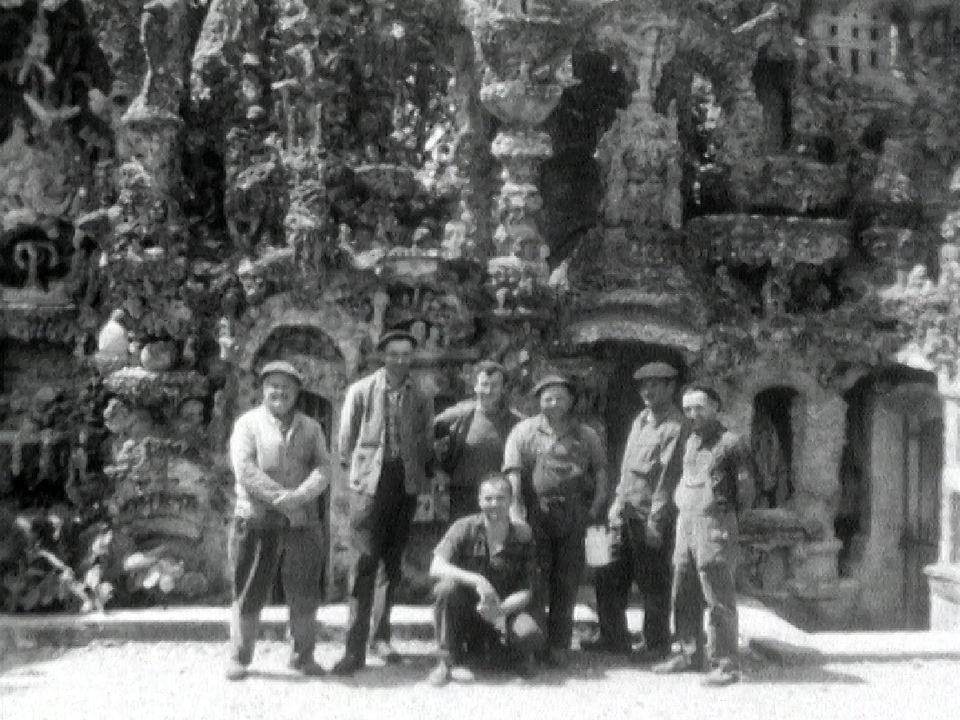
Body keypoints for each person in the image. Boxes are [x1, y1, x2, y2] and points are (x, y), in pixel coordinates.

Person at [333, 330, 434, 675]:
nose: (401, 360)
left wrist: (419, 477)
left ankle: (381, 636)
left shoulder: (420, 395)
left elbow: (425, 439)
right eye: (394, 354)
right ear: (382, 356)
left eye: (407, 354)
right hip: (370, 487)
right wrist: (361, 480)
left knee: (391, 564)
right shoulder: (362, 391)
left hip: (404, 485)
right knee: (363, 565)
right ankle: (353, 648)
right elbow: (345, 444)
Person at [226, 361, 330, 680]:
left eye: (287, 387)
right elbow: (244, 468)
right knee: (249, 589)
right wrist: (279, 499)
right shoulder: (248, 425)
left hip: (301, 523)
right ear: (263, 390)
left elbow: (324, 468)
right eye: (273, 386)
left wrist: (298, 498)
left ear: (298, 392)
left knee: (303, 592)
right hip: (256, 521)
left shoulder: (311, 428)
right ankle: (240, 658)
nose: (280, 392)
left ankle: (303, 656)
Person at [502, 375, 608, 666]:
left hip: (574, 517)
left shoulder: (586, 435)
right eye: (548, 397)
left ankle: (559, 644)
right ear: (539, 401)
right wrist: (515, 511)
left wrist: (597, 505)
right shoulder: (523, 432)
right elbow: (513, 473)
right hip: (537, 515)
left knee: (567, 580)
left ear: (571, 401)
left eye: (561, 397)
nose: (554, 403)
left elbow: (600, 471)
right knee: (535, 579)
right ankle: (533, 641)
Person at [653, 384, 755, 686]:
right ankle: (689, 653)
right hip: (686, 522)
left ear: (715, 407)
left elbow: (746, 490)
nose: (693, 415)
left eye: (700, 408)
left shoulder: (732, 444)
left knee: (717, 594)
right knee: (683, 586)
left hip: (714, 523)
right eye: (687, 409)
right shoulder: (690, 441)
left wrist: (725, 518)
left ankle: (726, 663)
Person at [584, 362, 685, 662]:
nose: (648, 391)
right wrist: (616, 501)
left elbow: (668, 478)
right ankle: (613, 637)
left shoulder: (674, 428)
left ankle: (655, 645)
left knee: (653, 583)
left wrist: (656, 520)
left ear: (671, 388)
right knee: (609, 573)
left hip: (649, 519)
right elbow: (628, 467)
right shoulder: (641, 420)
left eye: (656, 385)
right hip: (625, 513)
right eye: (644, 386)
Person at [426, 473, 544, 686]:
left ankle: (513, 657)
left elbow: (527, 589)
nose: (494, 504)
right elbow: (436, 566)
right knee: (445, 589)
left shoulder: (522, 536)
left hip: (506, 608)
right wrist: (477, 580)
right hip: (470, 607)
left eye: (500, 498)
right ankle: (446, 661)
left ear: (510, 500)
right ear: (479, 501)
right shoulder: (464, 527)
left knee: (529, 632)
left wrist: (500, 611)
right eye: (488, 499)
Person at [433, 360, 523, 521]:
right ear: (475, 386)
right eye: (484, 384)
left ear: (503, 389)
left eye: (494, 386)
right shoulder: (458, 416)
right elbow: (421, 437)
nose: (488, 391)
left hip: (500, 498)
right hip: (464, 496)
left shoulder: (516, 422)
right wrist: (435, 471)